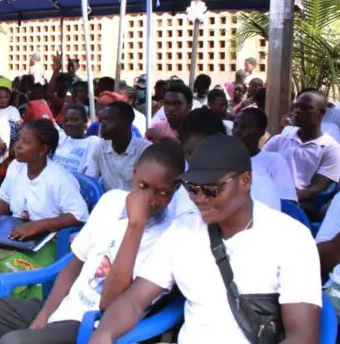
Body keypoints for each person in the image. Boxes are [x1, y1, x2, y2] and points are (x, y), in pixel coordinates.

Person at [0, 142, 185, 343]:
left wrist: (135, 226)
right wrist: (45, 315)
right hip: (60, 307)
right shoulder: (111, 201)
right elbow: (73, 266)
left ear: (175, 188)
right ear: (134, 171)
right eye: (143, 186)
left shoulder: (170, 234)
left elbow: (110, 304)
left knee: (14, 342)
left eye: (162, 192)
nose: (149, 199)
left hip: (91, 326)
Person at [89, 134, 321, 344]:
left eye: (211, 189)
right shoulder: (182, 231)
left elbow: (303, 337)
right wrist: (104, 333)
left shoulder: (290, 238)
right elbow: (133, 300)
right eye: (192, 188)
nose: (199, 198)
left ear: (245, 181)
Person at [0, 119, 89, 299]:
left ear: (42, 150)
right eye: (19, 140)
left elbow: (80, 216)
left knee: (11, 267)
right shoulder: (16, 167)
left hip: (49, 241)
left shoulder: (59, 179)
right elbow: (4, 197)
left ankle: (18, 308)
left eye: (26, 142)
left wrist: (38, 225)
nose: (17, 146)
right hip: (16, 234)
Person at [172, 108, 281, 214]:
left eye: (206, 152)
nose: (199, 161)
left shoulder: (256, 184)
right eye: (191, 153)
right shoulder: (184, 182)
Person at [263, 90, 340, 209]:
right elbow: (259, 166)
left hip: (300, 204)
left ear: (321, 114)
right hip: (269, 195)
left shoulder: (331, 148)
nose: (297, 111)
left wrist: (285, 196)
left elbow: (315, 189)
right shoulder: (279, 140)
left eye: (305, 108)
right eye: (296, 106)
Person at [233, 108, 297, 203]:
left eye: (246, 127)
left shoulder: (274, 162)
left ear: (261, 132)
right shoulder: (223, 161)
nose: (237, 131)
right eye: (235, 126)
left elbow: (287, 201)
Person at [86, 102, 151, 191]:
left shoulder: (145, 150)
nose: (102, 125)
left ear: (126, 122)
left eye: (107, 120)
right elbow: (89, 181)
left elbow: (147, 189)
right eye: (101, 121)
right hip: (109, 199)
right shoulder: (101, 146)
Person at [54, 105, 98, 174]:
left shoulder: (93, 142)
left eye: (74, 120)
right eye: (65, 120)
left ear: (85, 121)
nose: (69, 123)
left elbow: (90, 174)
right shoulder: (62, 138)